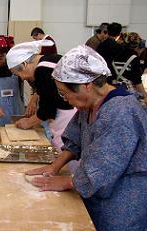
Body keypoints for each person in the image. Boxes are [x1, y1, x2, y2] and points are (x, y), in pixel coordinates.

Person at [25, 45, 147, 230]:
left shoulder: (121, 111)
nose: (64, 99)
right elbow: (75, 140)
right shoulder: (91, 104)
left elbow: (106, 165)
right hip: (97, 193)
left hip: (122, 200)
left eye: (64, 93)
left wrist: (69, 181)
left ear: (86, 85)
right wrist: (55, 166)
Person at [6, 40, 77, 157]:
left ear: (24, 64)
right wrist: (34, 98)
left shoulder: (41, 70)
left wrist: (28, 122)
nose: (23, 78)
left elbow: (47, 111)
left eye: (19, 74)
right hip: (74, 113)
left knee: (66, 156)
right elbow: (49, 90)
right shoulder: (50, 59)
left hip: (67, 117)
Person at [112, 32, 147, 102]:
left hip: (114, 90)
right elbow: (137, 82)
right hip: (128, 93)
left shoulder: (116, 55)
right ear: (137, 46)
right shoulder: (134, 58)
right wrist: (145, 96)